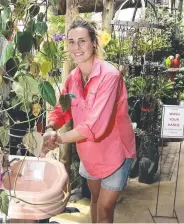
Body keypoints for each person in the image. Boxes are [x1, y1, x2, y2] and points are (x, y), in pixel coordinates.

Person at [42, 19, 136, 223]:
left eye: (82, 41)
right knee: (94, 200)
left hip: (115, 152)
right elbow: (62, 110)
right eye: (71, 42)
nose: (76, 47)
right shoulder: (73, 78)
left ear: (94, 42)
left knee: (104, 209)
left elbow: (96, 125)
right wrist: (50, 127)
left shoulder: (110, 76)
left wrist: (58, 139)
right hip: (89, 152)